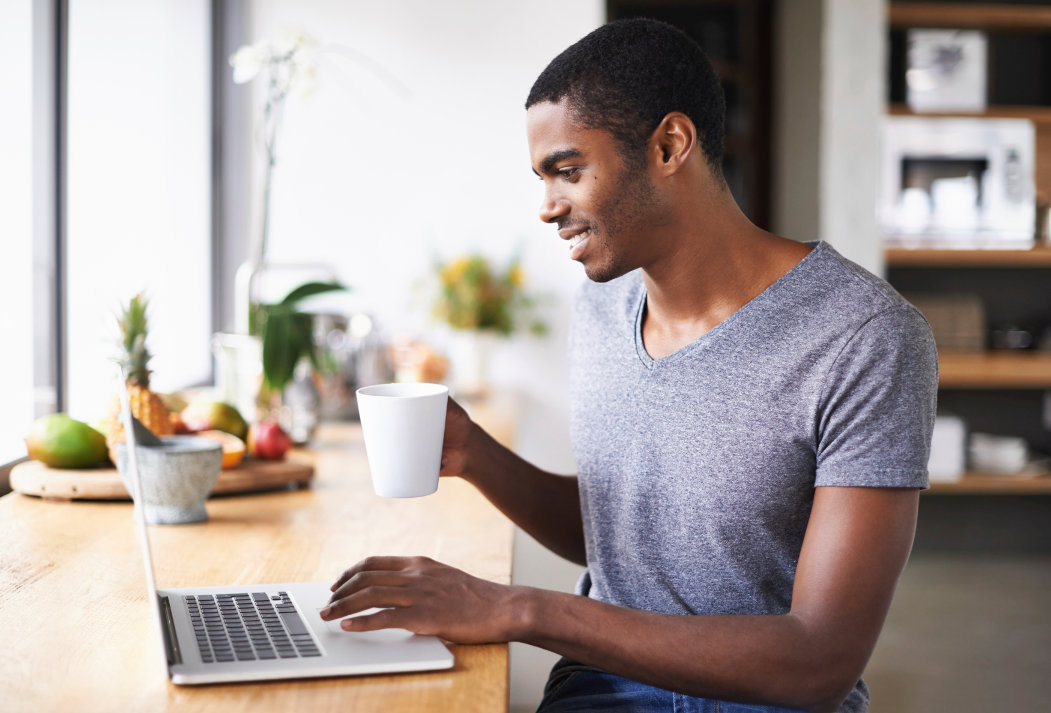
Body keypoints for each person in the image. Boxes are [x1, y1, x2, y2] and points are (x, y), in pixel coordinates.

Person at [321, 18, 937, 713]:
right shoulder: (603, 305)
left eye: (568, 170)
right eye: (542, 177)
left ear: (669, 145)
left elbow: (817, 658)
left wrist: (520, 609)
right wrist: (476, 456)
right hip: (600, 688)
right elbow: (631, 542)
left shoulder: (864, 336)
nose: (548, 206)